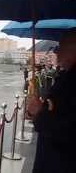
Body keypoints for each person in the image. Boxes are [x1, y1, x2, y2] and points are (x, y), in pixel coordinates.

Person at [28, 30, 76, 173]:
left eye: (59, 48)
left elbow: (68, 129)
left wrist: (40, 114)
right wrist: (36, 111)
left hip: (62, 162)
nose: (57, 52)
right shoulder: (67, 75)